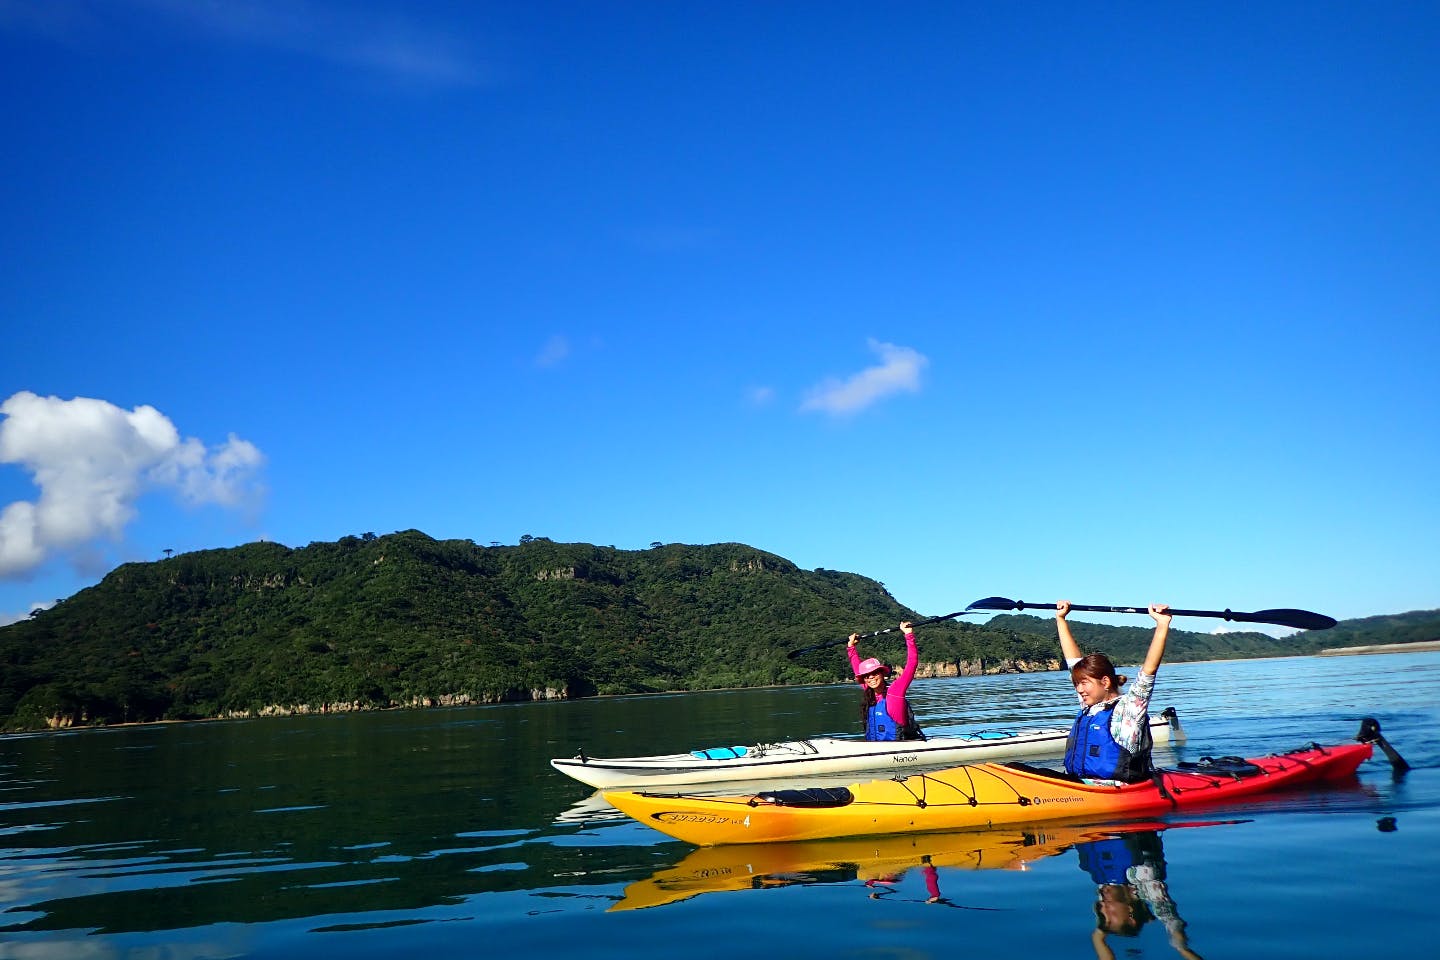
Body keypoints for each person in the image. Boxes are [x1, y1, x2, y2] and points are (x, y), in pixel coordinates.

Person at [1056, 600, 1172, 783]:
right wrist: (1061, 619)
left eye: (1084, 683)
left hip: (1117, 789)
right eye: (1076, 684)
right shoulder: (1091, 707)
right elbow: (1073, 662)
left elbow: (1149, 671)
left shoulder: (1130, 708)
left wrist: (1162, 625)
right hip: (1081, 784)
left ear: (1105, 682)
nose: (1079, 690)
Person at [1076, 829, 1203, 960]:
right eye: (1110, 914)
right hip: (1133, 829)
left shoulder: (1107, 891)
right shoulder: (1149, 889)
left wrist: (1099, 935)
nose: (1103, 907)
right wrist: (1182, 947)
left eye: (1102, 915)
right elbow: (1172, 923)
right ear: (1130, 914)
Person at [847, 621, 923, 741]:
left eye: (874, 673)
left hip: (899, 750)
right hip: (875, 749)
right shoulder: (870, 692)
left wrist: (909, 635)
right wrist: (851, 647)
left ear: (882, 674)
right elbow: (857, 669)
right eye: (867, 676)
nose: (871, 677)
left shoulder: (895, 691)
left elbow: (911, 665)